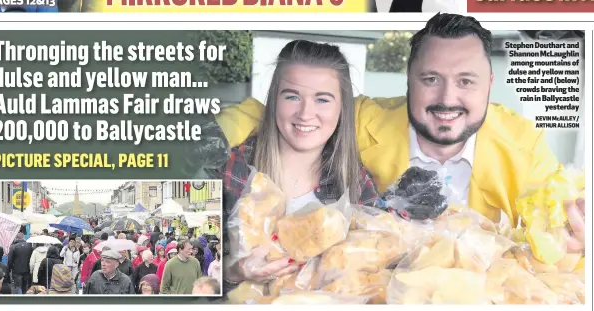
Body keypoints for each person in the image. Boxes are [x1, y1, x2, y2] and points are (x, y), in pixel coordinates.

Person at [202, 14, 587, 265]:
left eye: (466, 81)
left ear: (490, 85)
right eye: (430, 79)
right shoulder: (363, 119)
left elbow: (562, 225)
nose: (447, 99)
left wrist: (576, 244)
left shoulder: (525, 146)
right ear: (409, 81)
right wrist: (207, 140)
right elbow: (289, 108)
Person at [211, 40, 380, 291]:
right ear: (274, 100)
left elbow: (375, 272)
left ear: (342, 108)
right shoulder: (231, 168)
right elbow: (186, 272)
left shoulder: (355, 182)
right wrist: (234, 271)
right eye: (292, 96)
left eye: (322, 100)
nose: (305, 113)